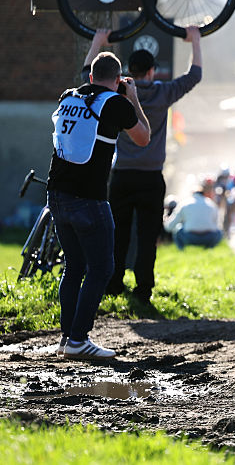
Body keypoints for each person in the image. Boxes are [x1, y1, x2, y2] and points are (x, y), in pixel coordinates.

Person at [50, 49, 151, 359]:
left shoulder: (69, 97)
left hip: (57, 195)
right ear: (119, 80)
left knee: (75, 265)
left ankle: (67, 339)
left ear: (91, 77)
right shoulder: (117, 104)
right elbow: (143, 138)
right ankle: (79, 339)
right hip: (90, 199)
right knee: (102, 267)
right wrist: (132, 97)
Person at [97, 26, 202, 304]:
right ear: (152, 71)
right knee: (147, 237)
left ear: (129, 70)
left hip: (121, 175)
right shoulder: (164, 93)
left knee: (117, 234)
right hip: (151, 177)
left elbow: (89, 76)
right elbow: (195, 75)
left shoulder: (117, 92)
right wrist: (196, 41)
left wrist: (98, 41)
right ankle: (143, 289)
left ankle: (114, 283)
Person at [165, 180, 222, 249]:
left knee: (177, 229)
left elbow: (170, 226)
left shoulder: (184, 204)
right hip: (209, 237)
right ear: (203, 193)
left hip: (189, 237)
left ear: (192, 193)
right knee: (219, 232)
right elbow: (217, 224)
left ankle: (181, 251)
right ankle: (209, 249)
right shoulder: (211, 204)